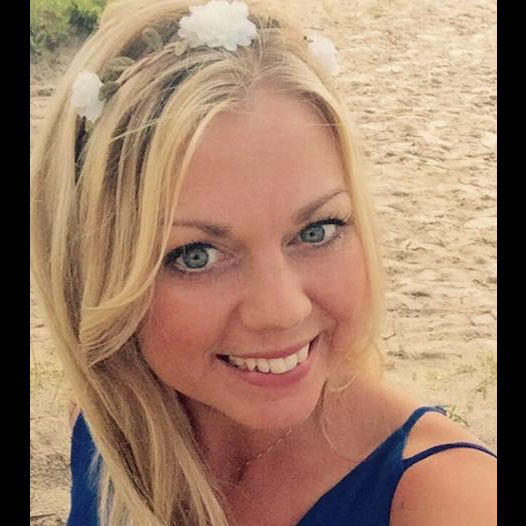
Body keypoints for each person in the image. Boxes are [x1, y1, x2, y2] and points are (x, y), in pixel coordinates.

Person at [30, 0, 497, 524]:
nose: (282, 310)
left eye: (317, 231)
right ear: (98, 272)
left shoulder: (450, 501)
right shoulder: (107, 428)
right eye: (196, 255)